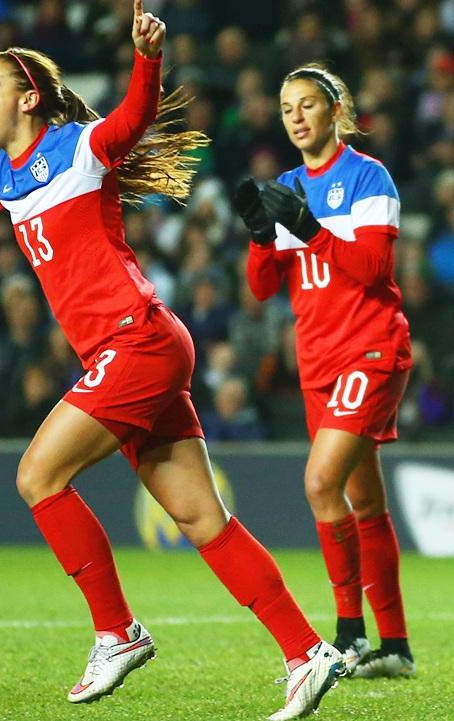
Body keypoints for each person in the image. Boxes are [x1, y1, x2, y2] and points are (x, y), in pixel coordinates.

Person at [0, 5, 344, 718]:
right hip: (134, 348)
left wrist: (146, 59)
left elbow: (132, 118)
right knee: (202, 519)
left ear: (28, 97)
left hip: (137, 340)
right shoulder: (3, 177)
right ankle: (307, 651)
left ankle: (117, 631)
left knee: (37, 475)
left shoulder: (78, 148)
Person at [232, 62, 415, 679]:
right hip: (317, 361)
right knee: (363, 499)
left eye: (307, 104)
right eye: (287, 109)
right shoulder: (285, 183)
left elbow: (373, 271)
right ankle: (395, 647)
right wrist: (262, 233)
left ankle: (350, 636)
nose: (297, 117)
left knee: (319, 484)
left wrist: (307, 228)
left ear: (335, 110)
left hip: (370, 348)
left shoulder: (368, 177)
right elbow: (261, 288)